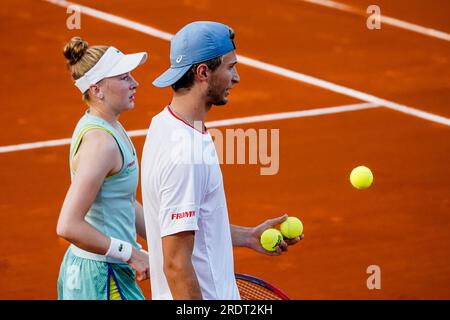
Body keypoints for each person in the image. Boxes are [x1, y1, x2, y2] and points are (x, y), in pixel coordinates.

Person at [141, 21, 302, 300]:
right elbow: (176, 265)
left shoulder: (165, 125)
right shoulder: (185, 154)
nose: (236, 77)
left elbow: (190, 223)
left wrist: (248, 236)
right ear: (203, 72)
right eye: (230, 67)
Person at [56, 37, 149, 300]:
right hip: (102, 279)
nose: (135, 83)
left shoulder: (107, 125)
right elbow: (68, 225)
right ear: (96, 90)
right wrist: (131, 254)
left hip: (99, 272)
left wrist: (165, 241)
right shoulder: (101, 144)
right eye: (123, 77)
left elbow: (122, 200)